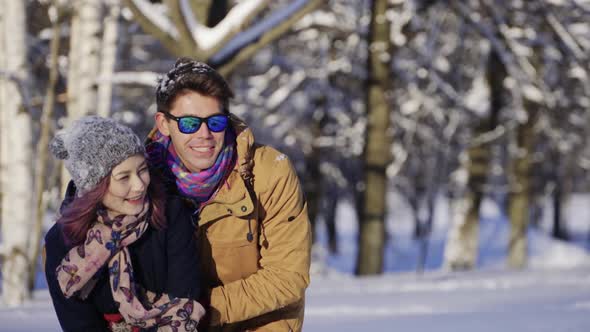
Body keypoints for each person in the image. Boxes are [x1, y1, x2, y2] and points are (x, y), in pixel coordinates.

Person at [145, 58, 312, 331]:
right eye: (189, 123)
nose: (204, 135)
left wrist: (197, 309)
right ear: (164, 123)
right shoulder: (138, 180)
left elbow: (287, 276)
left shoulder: (269, 173)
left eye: (215, 122)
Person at [45, 116, 205, 331]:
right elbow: (78, 323)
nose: (139, 185)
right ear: (94, 187)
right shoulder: (62, 241)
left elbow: (184, 295)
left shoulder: (170, 214)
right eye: (124, 177)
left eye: (142, 170)